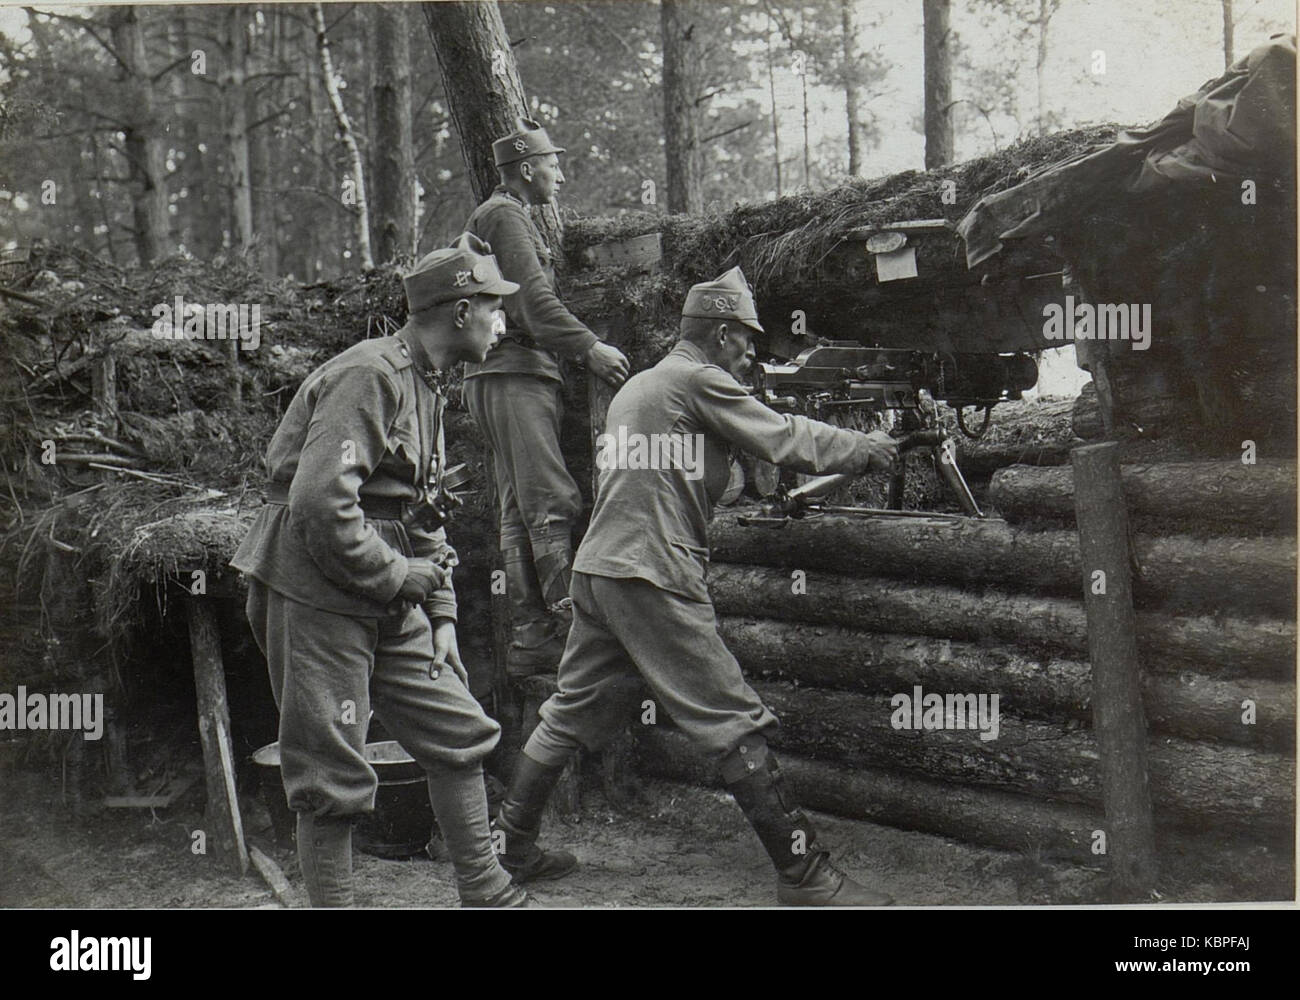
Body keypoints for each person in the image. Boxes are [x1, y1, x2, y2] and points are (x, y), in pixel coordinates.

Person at [492, 267, 899, 905]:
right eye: (745, 341)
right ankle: (807, 876)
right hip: (654, 573)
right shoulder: (699, 378)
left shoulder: (639, 388)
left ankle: (510, 847)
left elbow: (687, 472)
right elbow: (784, 436)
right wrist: (860, 446)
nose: (750, 354)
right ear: (720, 333)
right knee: (731, 717)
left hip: (601, 569)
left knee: (569, 711)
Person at [231, 235, 528, 908]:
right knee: (330, 768)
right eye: (493, 307)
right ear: (458, 312)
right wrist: (398, 578)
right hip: (313, 583)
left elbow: (424, 511)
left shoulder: (428, 385)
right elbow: (317, 503)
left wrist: (442, 616)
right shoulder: (372, 374)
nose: (501, 321)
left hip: (383, 583)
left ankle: (485, 887)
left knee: (457, 730)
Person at [462, 116, 630, 677]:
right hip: (514, 375)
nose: (560, 174)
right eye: (553, 164)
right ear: (526, 168)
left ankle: (533, 635)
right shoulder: (505, 216)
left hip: (508, 376)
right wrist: (590, 349)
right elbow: (532, 303)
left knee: (520, 507)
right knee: (552, 501)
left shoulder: (509, 215)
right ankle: (575, 633)